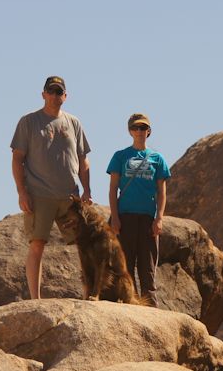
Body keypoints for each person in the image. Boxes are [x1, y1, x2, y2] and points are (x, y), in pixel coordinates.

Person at [11, 76, 92, 299]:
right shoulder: (29, 122)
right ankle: (36, 299)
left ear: (65, 96)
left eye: (59, 92)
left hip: (70, 195)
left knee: (84, 244)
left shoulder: (74, 122)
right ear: (43, 94)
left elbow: (83, 158)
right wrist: (22, 191)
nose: (55, 96)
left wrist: (87, 189)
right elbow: (18, 158)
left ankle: (89, 295)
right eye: (51, 91)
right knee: (37, 243)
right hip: (40, 194)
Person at [106, 113, 171, 306]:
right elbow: (112, 189)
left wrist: (159, 218)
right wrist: (115, 218)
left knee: (147, 268)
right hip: (125, 217)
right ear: (130, 131)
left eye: (143, 128)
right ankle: (129, 304)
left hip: (147, 219)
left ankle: (150, 308)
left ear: (149, 131)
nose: (139, 131)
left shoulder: (157, 159)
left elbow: (161, 192)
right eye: (136, 128)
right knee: (125, 265)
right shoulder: (120, 156)